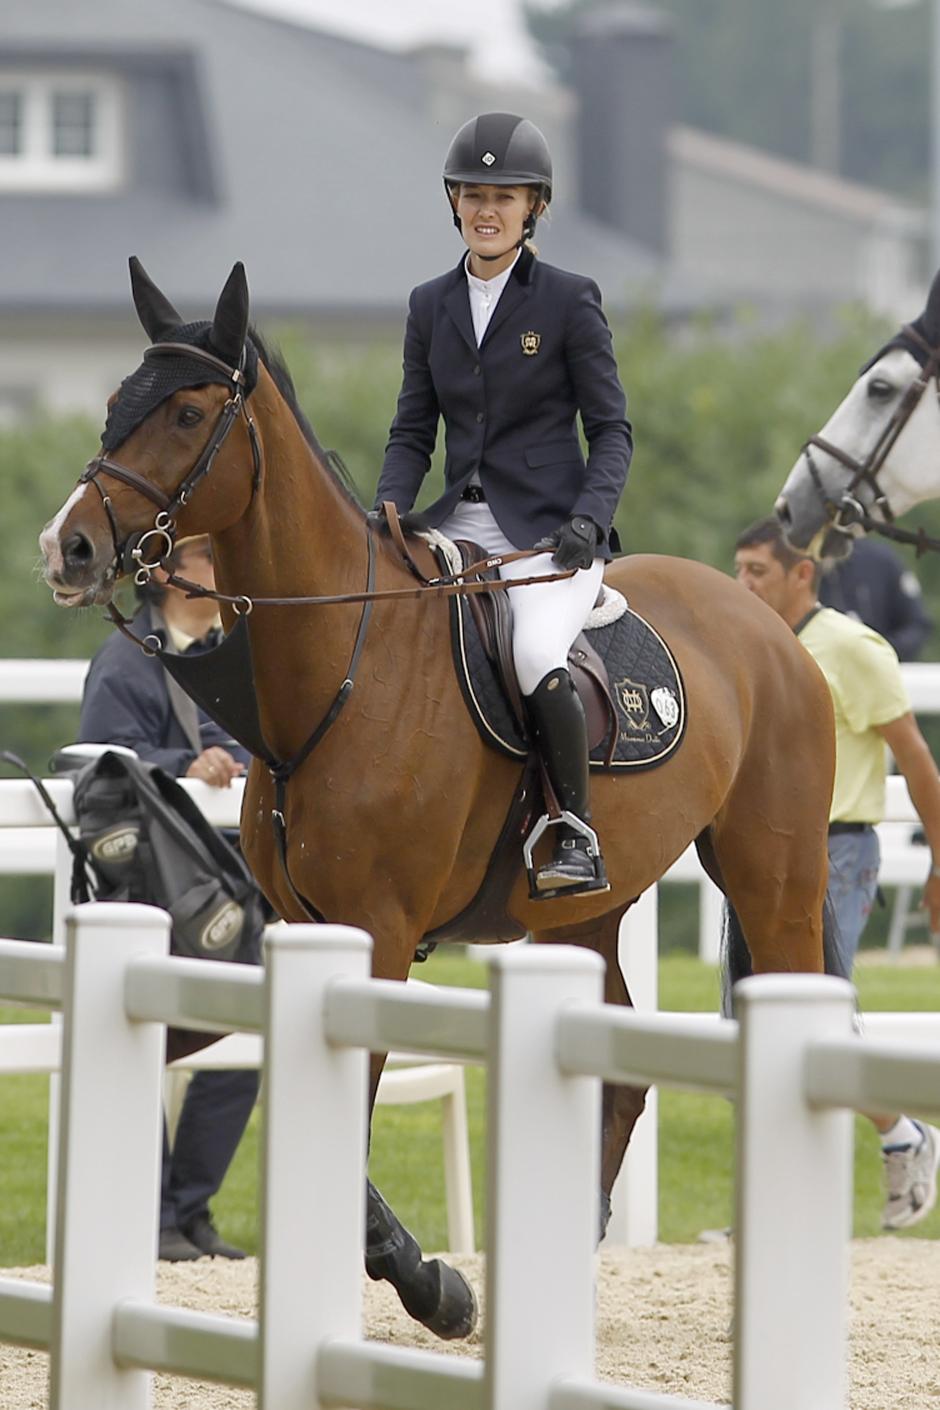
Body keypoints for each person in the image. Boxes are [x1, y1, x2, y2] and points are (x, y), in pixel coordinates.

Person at [373, 111, 632, 895]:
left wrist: (587, 519)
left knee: (531, 654)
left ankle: (571, 831)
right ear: (455, 202)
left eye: (506, 196)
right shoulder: (429, 303)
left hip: (551, 535)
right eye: (474, 194)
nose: (488, 210)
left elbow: (612, 429)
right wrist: (386, 508)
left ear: (534, 208)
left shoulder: (567, 299)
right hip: (457, 521)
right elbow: (413, 428)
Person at [733, 516, 940, 1230]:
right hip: (758, 854)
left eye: (756, 571)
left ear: (802, 575)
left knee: (819, 1009)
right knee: (748, 1025)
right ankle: (771, 1208)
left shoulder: (851, 648)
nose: (741, 585)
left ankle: (903, 1133)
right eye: (738, 570)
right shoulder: (743, 643)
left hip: (840, 850)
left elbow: (916, 760)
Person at [78, 535, 260, 1260]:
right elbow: (99, 766)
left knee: (252, 1029)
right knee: (149, 1036)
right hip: (157, 897)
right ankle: (156, 1218)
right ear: (163, 576)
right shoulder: (126, 661)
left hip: (235, 888)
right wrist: (184, 765)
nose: (223, 570)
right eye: (209, 559)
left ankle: (187, 1211)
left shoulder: (237, 653)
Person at [820, 537, 932, 661]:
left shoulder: (881, 560)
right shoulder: (800, 560)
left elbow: (917, 625)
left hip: (878, 668)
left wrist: (880, 651)